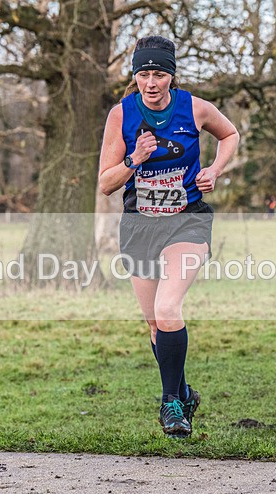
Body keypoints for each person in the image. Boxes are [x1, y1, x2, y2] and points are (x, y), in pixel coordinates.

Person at [98, 36, 239, 438]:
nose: (151, 82)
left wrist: (214, 170)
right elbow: (106, 184)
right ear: (135, 77)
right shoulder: (120, 115)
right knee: (154, 324)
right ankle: (184, 394)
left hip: (187, 222)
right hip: (140, 226)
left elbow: (230, 135)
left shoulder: (194, 107)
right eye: (143, 74)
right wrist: (134, 159)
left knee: (167, 309)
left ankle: (170, 404)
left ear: (171, 76)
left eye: (159, 73)